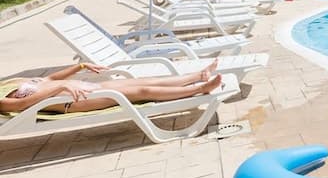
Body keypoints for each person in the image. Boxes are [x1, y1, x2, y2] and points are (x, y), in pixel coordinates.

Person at [1, 61, 222, 114]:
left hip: (81, 88)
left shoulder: (8, 84)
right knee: (142, 93)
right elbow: (25, 104)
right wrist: (63, 87)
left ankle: (196, 76)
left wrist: (79, 66)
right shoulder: (2, 100)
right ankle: (198, 89)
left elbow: (49, 79)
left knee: (142, 82)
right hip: (72, 101)